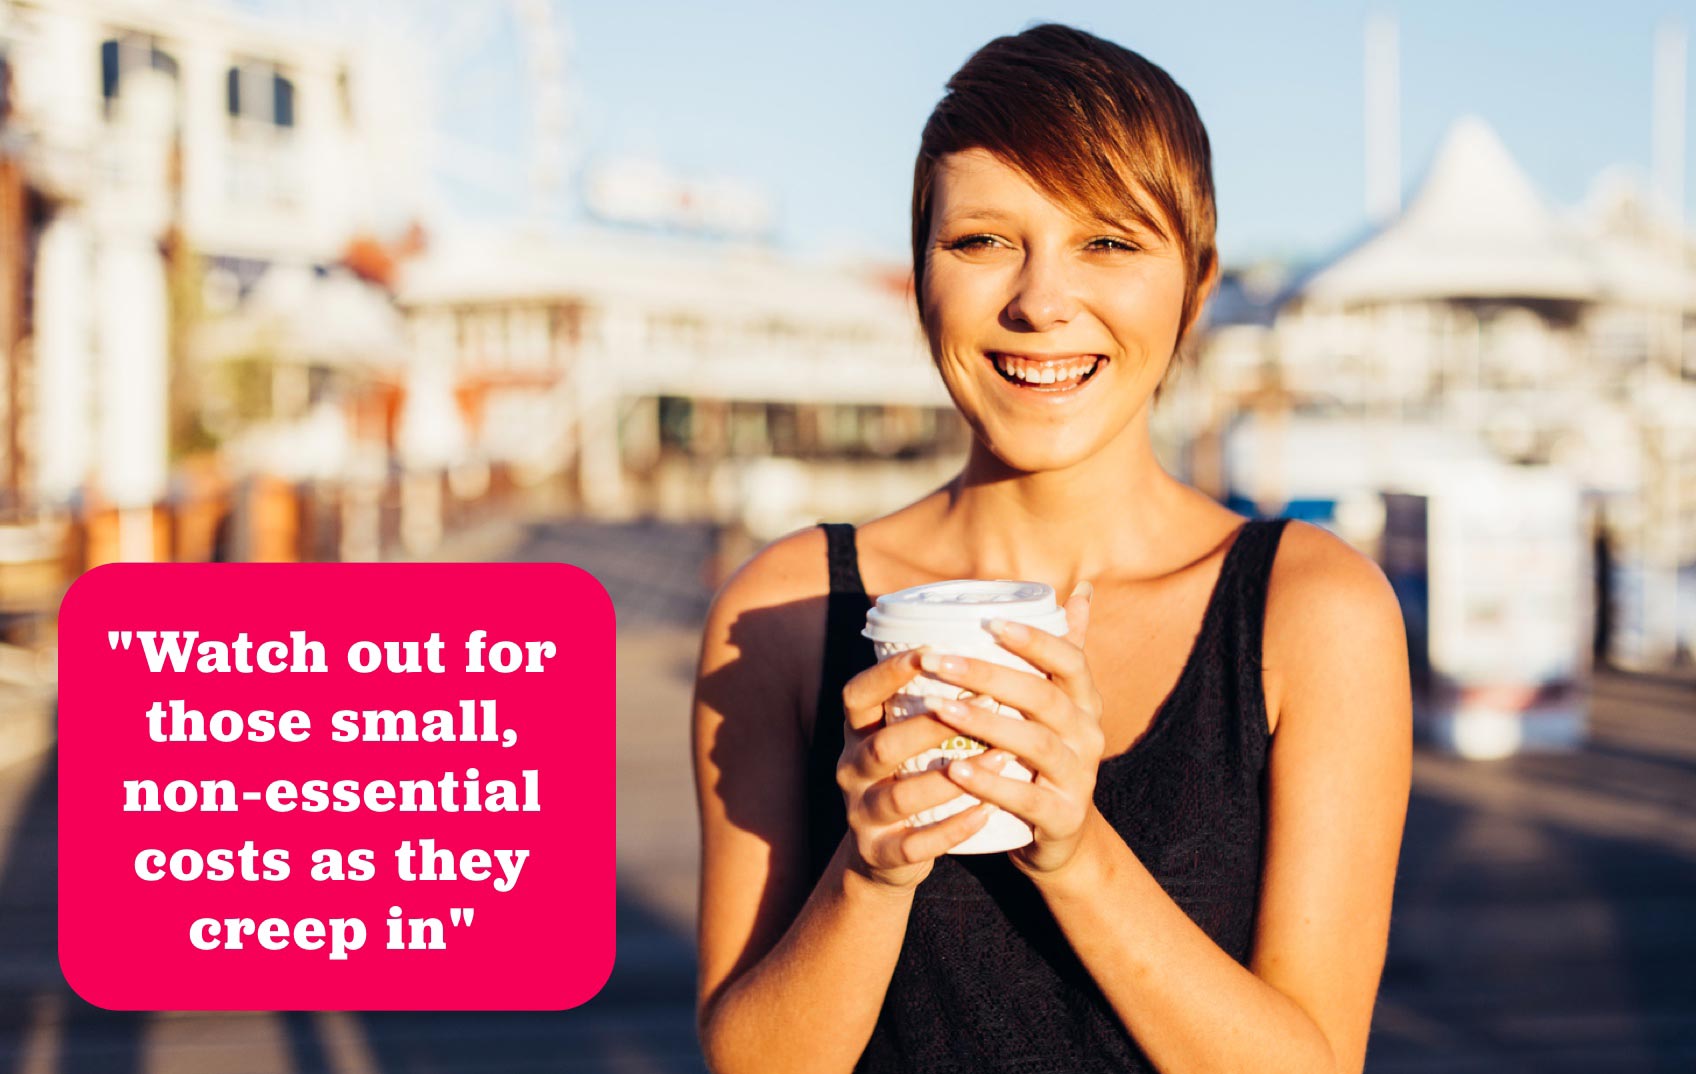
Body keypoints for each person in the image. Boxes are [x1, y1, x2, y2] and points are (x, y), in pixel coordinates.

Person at [691, 22, 1411, 1074]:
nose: (1038, 301)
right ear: (922, 278)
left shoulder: (1311, 610)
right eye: (981, 241)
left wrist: (1076, 856)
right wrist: (870, 872)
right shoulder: (788, 610)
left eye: (1108, 243)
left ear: (1195, 289)